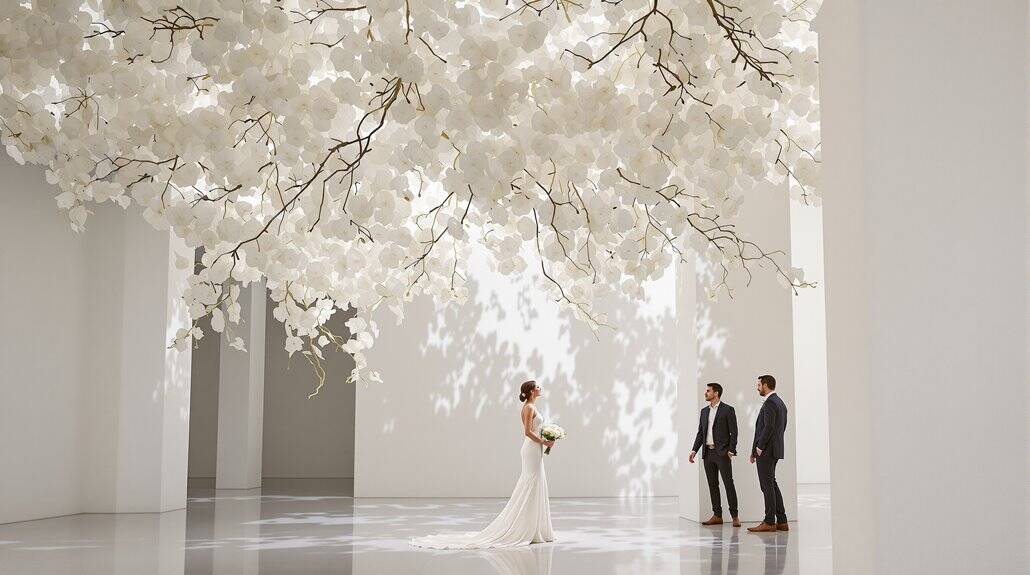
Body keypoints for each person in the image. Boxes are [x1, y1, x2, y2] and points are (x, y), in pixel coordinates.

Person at [411, 380, 555, 549]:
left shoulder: (531, 407)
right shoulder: (529, 408)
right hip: (531, 449)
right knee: (531, 484)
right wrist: (545, 442)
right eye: (537, 387)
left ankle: (536, 528)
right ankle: (525, 528)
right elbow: (527, 432)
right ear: (531, 391)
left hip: (534, 450)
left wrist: (546, 439)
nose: (539, 388)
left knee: (536, 483)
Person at [689, 382, 740, 527]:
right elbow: (701, 433)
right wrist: (694, 450)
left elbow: (734, 432)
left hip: (723, 453)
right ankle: (717, 515)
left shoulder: (728, 410)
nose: (705, 393)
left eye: (708, 391)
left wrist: (731, 450)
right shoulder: (704, 412)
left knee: (728, 484)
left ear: (716, 393)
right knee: (713, 485)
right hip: (708, 454)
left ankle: (735, 516)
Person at [748, 374, 789, 533]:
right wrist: (755, 450)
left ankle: (769, 521)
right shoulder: (780, 402)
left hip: (766, 451)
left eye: (758, 384)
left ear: (765, 385)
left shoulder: (771, 403)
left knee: (767, 486)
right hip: (774, 449)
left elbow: (768, 428)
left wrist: (759, 448)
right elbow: (780, 427)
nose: (757, 387)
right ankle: (782, 520)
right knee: (771, 483)